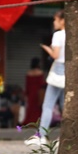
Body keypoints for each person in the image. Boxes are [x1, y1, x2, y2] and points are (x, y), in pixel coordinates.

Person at [26, 11, 66, 146]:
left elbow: (55, 55)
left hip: (58, 70)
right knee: (65, 106)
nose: (54, 22)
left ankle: (42, 136)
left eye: (56, 20)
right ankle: (66, 136)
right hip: (69, 71)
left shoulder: (58, 35)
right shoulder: (74, 34)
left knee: (48, 105)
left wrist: (47, 49)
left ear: (62, 21)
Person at [23, 57, 45, 126]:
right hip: (38, 93)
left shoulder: (28, 73)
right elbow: (42, 84)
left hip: (31, 93)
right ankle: (37, 122)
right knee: (38, 108)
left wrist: (26, 94)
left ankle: (29, 122)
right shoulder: (40, 73)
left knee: (30, 108)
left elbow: (27, 85)